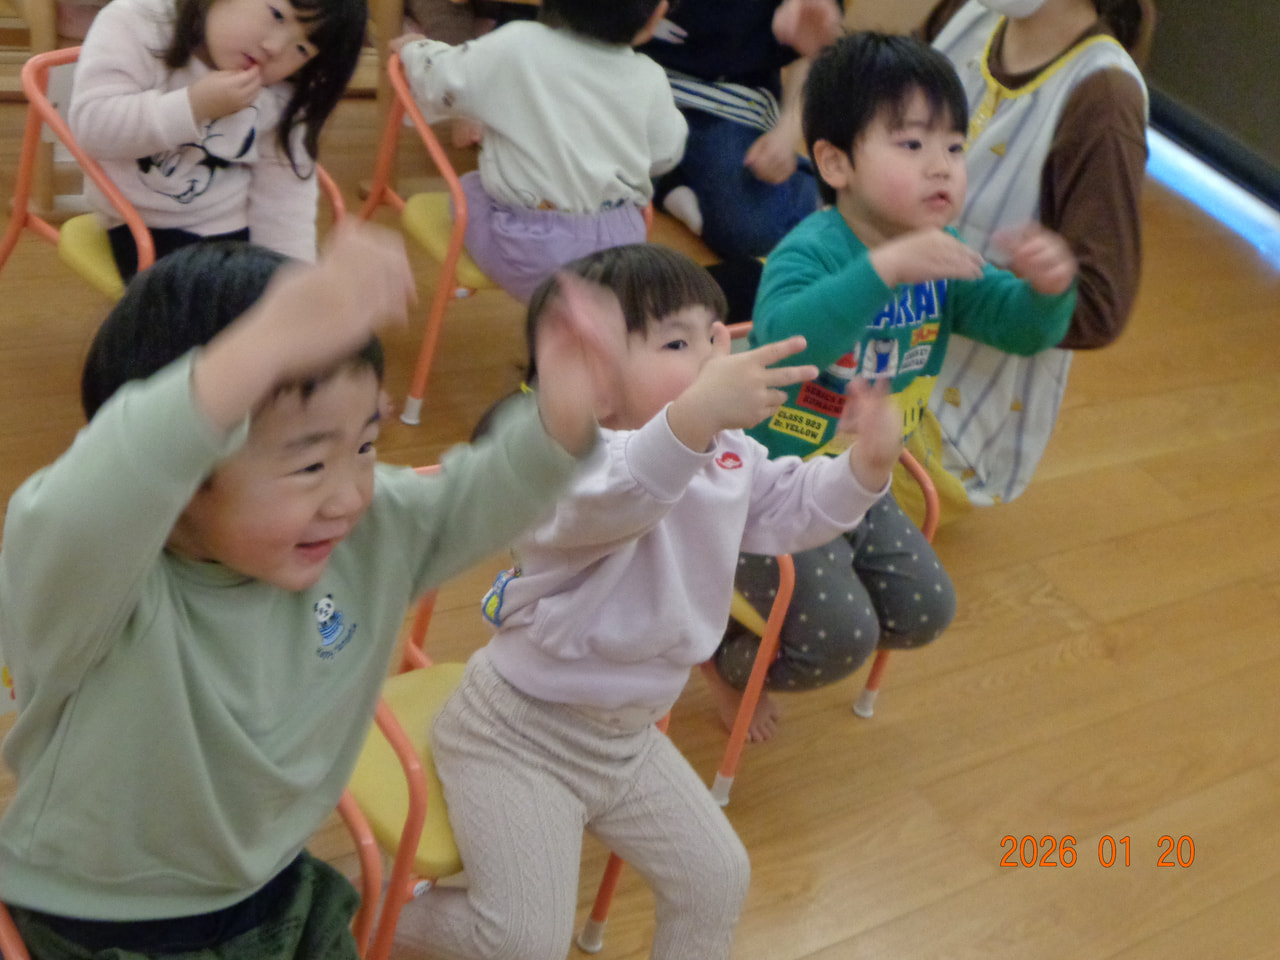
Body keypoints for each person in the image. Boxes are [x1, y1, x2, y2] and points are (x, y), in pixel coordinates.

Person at [0, 222, 621, 959]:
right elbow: (95, 490)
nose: (350, 494)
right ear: (185, 470)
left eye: (365, 445)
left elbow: (477, 497)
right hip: (97, 922)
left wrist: (561, 414)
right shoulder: (96, 585)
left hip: (275, 891)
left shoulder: (363, 534)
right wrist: (261, 346)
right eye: (308, 464)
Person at [394, 244, 903, 960]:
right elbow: (628, 492)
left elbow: (788, 506)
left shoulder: (724, 449)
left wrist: (864, 467)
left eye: (712, 336)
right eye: (676, 343)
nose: (712, 358)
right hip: (517, 735)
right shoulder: (564, 464)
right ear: (593, 387)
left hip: (625, 738)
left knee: (718, 879)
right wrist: (694, 417)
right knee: (523, 944)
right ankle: (375, 911)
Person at [710, 31, 1080, 740]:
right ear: (835, 163)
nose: (942, 166)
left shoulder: (942, 255)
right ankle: (723, 656)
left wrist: (1047, 291)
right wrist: (885, 270)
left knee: (926, 612)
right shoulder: (812, 250)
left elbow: (1018, 328)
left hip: (860, 475)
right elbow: (786, 338)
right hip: (767, 486)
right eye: (911, 144)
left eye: (955, 147)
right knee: (840, 640)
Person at [907, 0, 1151, 519]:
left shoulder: (1105, 98)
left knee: (778, 482)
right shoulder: (967, 15)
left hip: (940, 420)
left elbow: (1099, 306)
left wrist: (1042, 287)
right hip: (858, 330)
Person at [390, 0, 687, 303]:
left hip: (528, 252)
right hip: (621, 252)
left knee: (470, 191)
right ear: (657, 15)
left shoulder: (520, 44)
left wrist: (415, 49)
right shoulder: (651, 77)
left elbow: (441, 79)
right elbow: (666, 155)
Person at [69, 0, 367, 280]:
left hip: (237, 227)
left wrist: (289, 284)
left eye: (301, 49)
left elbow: (285, 198)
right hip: (148, 226)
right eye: (277, 14)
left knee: (299, 296)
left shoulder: (284, 89)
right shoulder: (138, 21)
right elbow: (94, 128)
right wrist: (194, 106)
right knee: (206, 309)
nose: (275, 48)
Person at [638, 0, 843, 261]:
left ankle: (819, 188)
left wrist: (786, 134)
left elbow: (812, 53)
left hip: (727, 100)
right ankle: (668, 181)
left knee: (749, 227)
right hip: (629, 68)